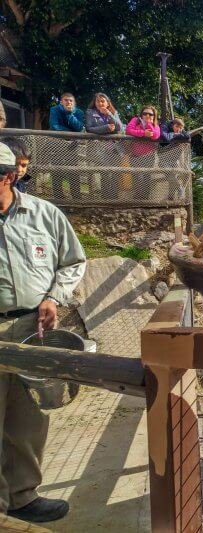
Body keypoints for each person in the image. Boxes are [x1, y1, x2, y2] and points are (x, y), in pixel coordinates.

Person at [0, 141, 86, 523]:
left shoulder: (44, 214)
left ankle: (21, 497)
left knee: (27, 420)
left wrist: (54, 297)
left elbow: (73, 262)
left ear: (8, 176)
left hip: (31, 329)